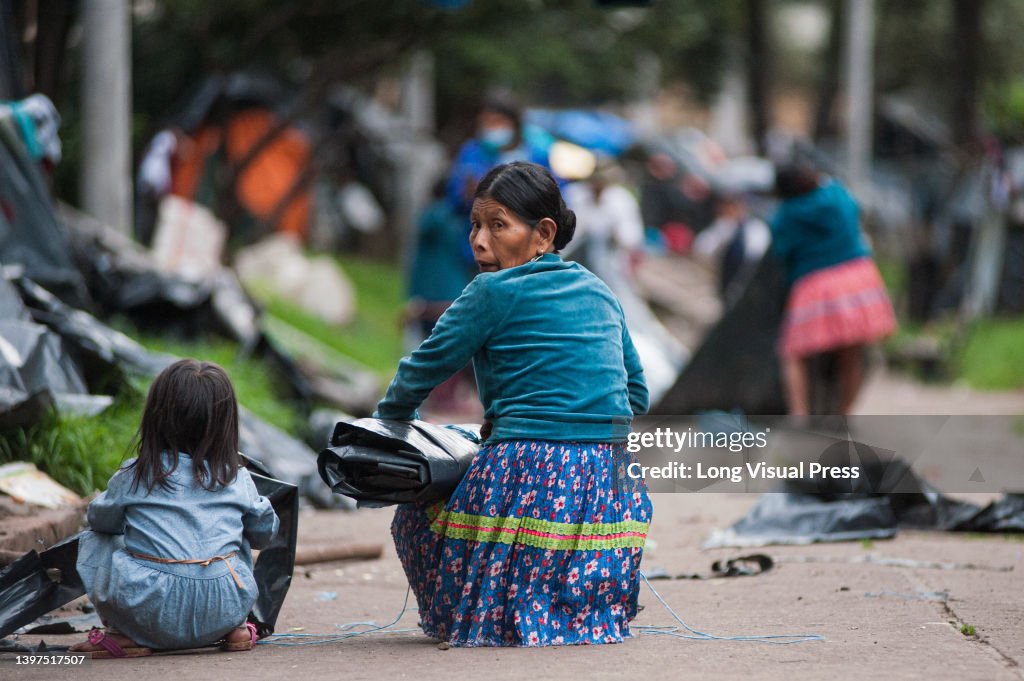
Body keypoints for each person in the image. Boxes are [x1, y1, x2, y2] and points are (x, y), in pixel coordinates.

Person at [378, 161, 652, 647]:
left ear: (543, 234)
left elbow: (420, 370)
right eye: (476, 225)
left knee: (416, 515)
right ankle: (579, 614)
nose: (480, 240)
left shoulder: (489, 292)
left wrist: (388, 427)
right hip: (615, 483)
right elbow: (637, 394)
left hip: (528, 466)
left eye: (497, 225)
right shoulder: (600, 291)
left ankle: (477, 614)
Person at [69, 359, 279, 658]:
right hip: (223, 605)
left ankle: (123, 633)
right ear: (226, 423)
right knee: (239, 533)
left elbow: (100, 519)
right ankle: (236, 626)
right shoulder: (235, 476)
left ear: (156, 419)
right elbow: (264, 535)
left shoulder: (135, 475)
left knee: (96, 535)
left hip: (147, 608)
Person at [770, 164, 897, 416]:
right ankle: (844, 414)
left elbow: (782, 250)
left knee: (794, 353)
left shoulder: (786, 216)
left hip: (815, 283)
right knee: (851, 354)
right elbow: (855, 210)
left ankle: (800, 414)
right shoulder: (836, 195)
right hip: (857, 277)